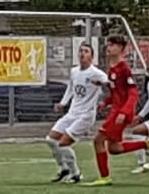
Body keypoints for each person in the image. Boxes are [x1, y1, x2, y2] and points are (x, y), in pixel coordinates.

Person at [46, 43, 109, 183]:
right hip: (72, 112)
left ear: (92, 56)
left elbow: (111, 85)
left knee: (63, 143)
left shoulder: (97, 73)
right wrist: (63, 103)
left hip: (86, 115)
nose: (82, 54)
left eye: (86, 51)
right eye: (81, 51)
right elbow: (70, 88)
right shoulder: (74, 71)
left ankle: (76, 174)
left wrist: (103, 96)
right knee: (51, 140)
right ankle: (64, 169)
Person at [83, 34, 141, 187]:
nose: (108, 47)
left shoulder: (124, 68)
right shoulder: (112, 67)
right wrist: (106, 102)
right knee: (114, 148)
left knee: (98, 140)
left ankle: (104, 177)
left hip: (120, 113)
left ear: (121, 48)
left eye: (112, 45)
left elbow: (133, 93)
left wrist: (124, 112)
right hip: (116, 110)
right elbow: (117, 91)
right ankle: (146, 144)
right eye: (108, 44)